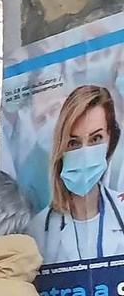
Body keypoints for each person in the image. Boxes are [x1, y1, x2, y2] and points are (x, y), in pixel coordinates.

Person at [31, 84, 124, 264]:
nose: (85, 152)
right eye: (73, 143)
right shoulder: (38, 230)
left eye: (95, 139)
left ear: (110, 140)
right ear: (61, 147)